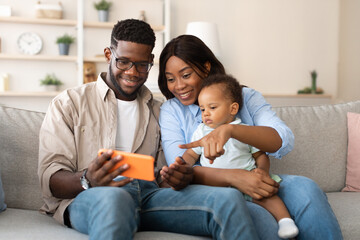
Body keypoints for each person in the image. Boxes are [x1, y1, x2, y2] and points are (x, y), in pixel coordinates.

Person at [38, 19, 260, 240]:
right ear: (108, 55)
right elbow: (51, 181)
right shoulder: (69, 103)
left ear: (151, 62)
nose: (132, 72)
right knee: (116, 200)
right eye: (123, 62)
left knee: (228, 199)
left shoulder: (160, 111)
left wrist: (178, 178)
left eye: (142, 65)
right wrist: (88, 178)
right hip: (95, 195)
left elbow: (164, 179)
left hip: (150, 196)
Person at [158, 34, 343, 240]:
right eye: (170, 79)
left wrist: (233, 132)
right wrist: (236, 177)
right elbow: (183, 169)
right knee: (254, 215)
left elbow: (282, 139)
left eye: (186, 75)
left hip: (255, 176)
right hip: (213, 189)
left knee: (306, 188)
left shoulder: (245, 97)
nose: (178, 86)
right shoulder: (171, 110)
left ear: (206, 67)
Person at [181, 73, 299, 239]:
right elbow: (191, 154)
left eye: (212, 108)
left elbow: (261, 155)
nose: (206, 114)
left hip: (249, 179)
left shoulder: (243, 130)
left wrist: (262, 171)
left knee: (267, 195)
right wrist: (181, 164)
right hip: (215, 186)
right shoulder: (201, 131)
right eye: (202, 109)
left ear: (233, 109)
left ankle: (285, 221)